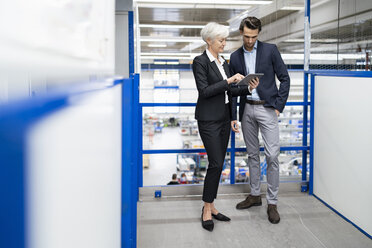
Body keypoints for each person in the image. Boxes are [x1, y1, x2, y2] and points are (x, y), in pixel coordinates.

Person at [192, 22, 259, 231]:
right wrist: (229, 80)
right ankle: (206, 208)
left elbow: (229, 94)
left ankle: (211, 205)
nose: (224, 43)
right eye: (221, 40)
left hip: (223, 120)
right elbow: (205, 91)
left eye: (225, 39)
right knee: (215, 163)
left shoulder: (224, 62)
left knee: (219, 165)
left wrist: (247, 88)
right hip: (208, 120)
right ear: (209, 41)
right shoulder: (200, 62)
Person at [230, 17, 290, 224]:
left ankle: (272, 202)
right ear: (241, 33)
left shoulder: (270, 50)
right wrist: (233, 116)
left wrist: (278, 106)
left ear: (259, 34)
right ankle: (255, 195)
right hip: (246, 109)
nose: (250, 41)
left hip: (267, 108)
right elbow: (232, 90)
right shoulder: (234, 57)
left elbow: (285, 78)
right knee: (252, 155)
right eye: (246, 36)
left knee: (272, 155)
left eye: (254, 37)